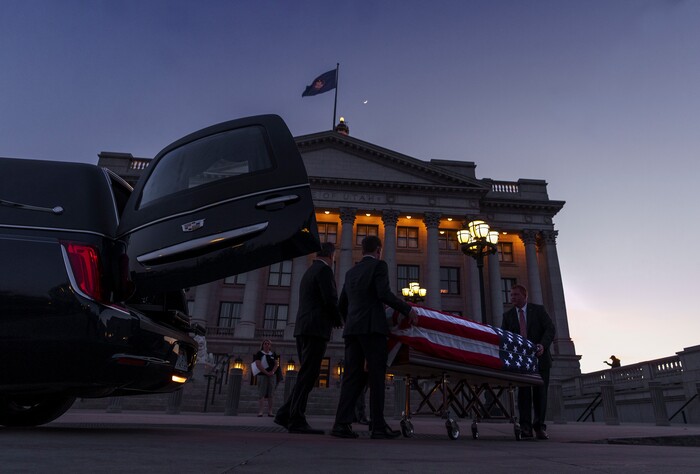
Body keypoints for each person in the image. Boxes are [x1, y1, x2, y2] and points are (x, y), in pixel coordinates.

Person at [330, 235, 419, 440]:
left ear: (362, 250)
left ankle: (341, 424)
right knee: (376, 376)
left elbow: (342, 305)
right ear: (378, 250)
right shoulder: (379, 266)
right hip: (373, 329)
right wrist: (407, 309)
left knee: (352, 378)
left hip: (352, 331)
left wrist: (350, 320)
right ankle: (378, 426)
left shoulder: (351, 272)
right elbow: (384, 293)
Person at [273, 242, 343, 434]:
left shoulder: (309, 271)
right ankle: (296, 418)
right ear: (331, 255)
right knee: (309, 375)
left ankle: (285, 414)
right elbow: (330, 298)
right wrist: (338, 319)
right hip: (315, 329)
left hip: (303, 328)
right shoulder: (325, 271)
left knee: (306, 374)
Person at [501, 284, 555, 440]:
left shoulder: (538, 311)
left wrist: (543, 345)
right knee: (523, 395)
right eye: (511, 295)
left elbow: (550, 329)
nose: (512, 297)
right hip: (520, 362)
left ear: (525, 296)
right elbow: (505, 337)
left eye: (516, 295)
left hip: (540, 359)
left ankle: (539, 427)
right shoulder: (508, 316)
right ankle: (525, 428)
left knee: (540, 394)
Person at [253, 339, 280, 417]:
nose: (267, 345)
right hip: (262, 376)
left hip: (271, 376)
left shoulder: (273, 354)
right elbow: (258, 364)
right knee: (262, 393)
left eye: (268, 344)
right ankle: (261, 411)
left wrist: (272, 372)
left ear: (270, 346)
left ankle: (270, 411)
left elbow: (276, 364)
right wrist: (266, 372)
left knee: (271, 394)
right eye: (265, 343)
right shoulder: (259, 353)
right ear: (262, 345)